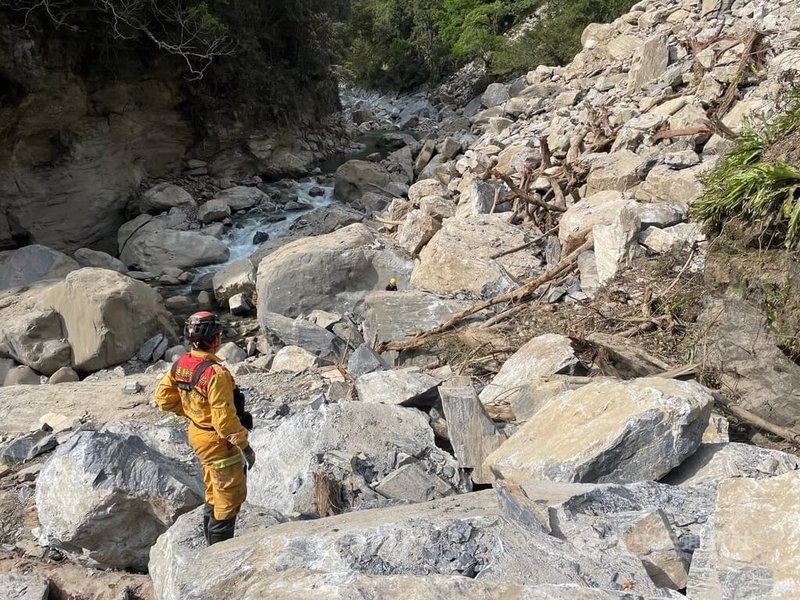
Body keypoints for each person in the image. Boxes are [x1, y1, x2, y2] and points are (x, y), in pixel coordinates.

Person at [155, 311, 256, 546]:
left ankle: (211, 545)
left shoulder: (181, 365)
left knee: (213, 487)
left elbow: (163, 399)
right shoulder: (215, 373)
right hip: (218, 442)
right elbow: (224, 422)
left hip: (198, 433)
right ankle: (217, 555)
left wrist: (193, 413)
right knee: (228, 497)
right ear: (216, 340)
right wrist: (244, 444)